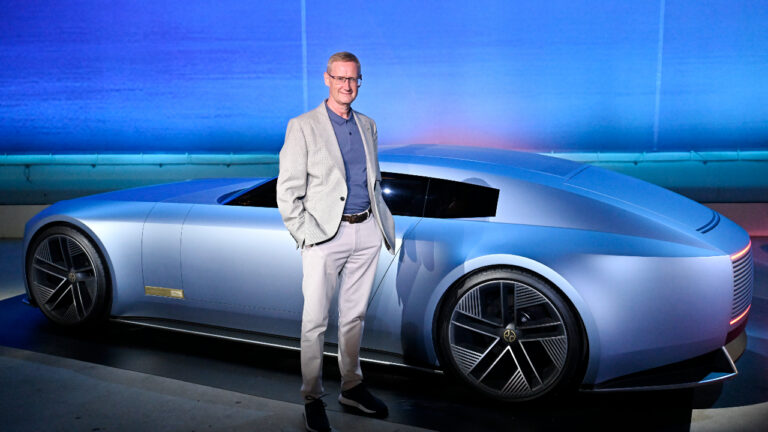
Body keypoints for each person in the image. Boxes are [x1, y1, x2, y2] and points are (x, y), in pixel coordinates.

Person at [276, 51, 396, 432]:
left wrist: (378, 224)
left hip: (366, 231)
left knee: (354, 316)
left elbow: (371, 179)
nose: (347, 85)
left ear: (360, 81)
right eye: (340, 78)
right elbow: (287, 192)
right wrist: (307, 236)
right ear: (326, 79)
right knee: (315, 320)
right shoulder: (303, 126)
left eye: (353, 79)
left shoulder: (368, 125)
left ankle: (352, 386)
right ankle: (312, 397)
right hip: (325, 236)